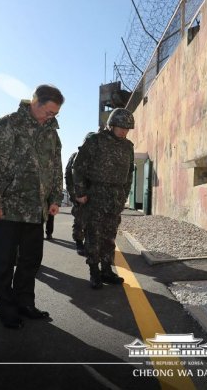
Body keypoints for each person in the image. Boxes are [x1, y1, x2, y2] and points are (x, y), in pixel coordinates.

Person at [0, 84, 64, 329]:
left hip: (36, 211)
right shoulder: (6, 125)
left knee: (30, 262)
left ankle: (25, 303)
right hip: (8, 208)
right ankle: (7, 309)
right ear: (35, 102)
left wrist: (55, 198)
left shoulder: (51, 134)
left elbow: (56, 167)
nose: (51, 117)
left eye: (55, 114)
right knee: (4, 263)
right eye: (48, 111)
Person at [72, 108, 134, 289]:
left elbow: (129, 173)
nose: (124, 131)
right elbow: (78, 167)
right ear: (112, 125)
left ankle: (107, 270)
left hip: (116, 196)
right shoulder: (95, 141)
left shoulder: (128, 146)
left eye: (127, 128)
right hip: (96, 194)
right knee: (94, 234)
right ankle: (94, 272)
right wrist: (81, 192)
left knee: (110, 236)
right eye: (121, 127)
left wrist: (124, 195)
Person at [64, 151, 86, 255]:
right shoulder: (75, 156)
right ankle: (79, 242)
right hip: (78, 195)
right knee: (79, 220)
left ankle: (90, 244)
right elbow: (68, 176)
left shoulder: (98, 155)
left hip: (94, 195)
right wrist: (74, 196)